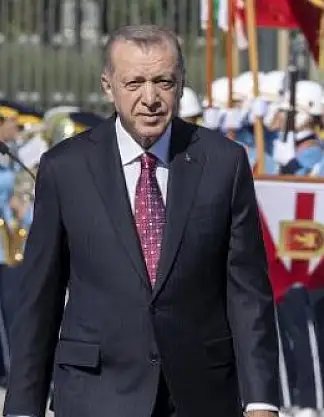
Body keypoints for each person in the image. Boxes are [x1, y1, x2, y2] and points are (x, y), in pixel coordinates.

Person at [3, 25, 279, 417]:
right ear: (108, 86)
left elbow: (248, 293)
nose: (150, 99)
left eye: (163, 82)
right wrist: (22, 407)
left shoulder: (223, 163)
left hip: (200, 393)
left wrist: (261, 400)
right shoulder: (66, 168)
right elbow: (39, 299)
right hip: (95, 394)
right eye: (134, 83)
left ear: (180, 83)